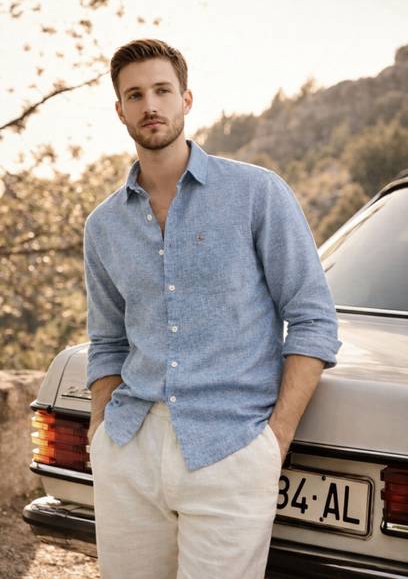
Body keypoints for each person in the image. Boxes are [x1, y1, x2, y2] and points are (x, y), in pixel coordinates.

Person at [84, 38, 341, 579]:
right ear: (120, 110)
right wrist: (101, 430)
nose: (150, 105)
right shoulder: (104, 225)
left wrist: (274, 440)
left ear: (186, 99)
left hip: (232, 445)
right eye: (135, 95)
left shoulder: (255, 193)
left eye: (162, 90)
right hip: (130, 448)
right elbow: (107, 340)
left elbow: (313, 318)